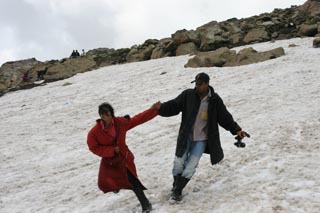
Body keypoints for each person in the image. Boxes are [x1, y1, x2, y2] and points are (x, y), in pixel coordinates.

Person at [158, 72, 249, 201]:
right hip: (186, 136)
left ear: (207, 84)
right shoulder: (188, 95)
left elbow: (224, 117)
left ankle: (177, 190)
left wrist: (237, 130)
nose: (197, 86)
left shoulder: (215, 100)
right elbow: (174, 105)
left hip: (201, 139)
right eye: (196, 83)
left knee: (191, 165)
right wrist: (160, 108)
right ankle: (176, 186)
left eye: (200, 84)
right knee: (179, 162)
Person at [87, 102, 160, 213]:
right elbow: (93, 147)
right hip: (109, 162)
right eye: (102, 115)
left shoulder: (120, 123)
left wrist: (153, 110)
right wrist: (111, 150)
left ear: (111, 114)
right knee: (106, 182)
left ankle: (146, 205)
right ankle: (116, 187)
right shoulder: (94, 132)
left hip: (123, 159)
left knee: (133, 181)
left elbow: (137, 119)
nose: (104, 117)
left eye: (106, 114)